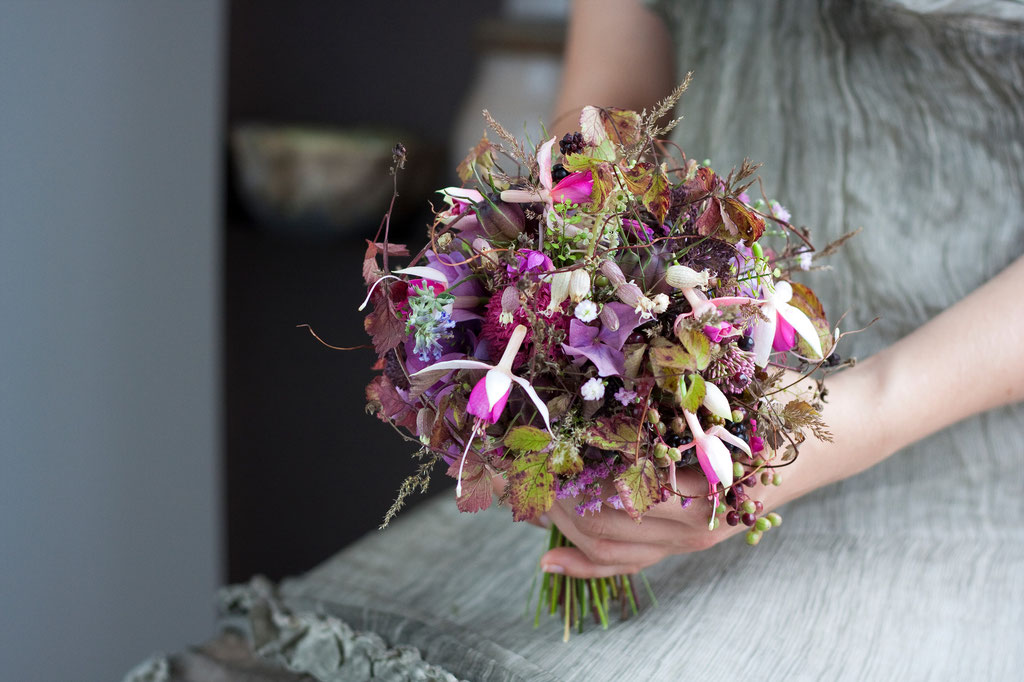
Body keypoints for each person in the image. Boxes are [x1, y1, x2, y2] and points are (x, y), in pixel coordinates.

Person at [531, 0, 1024, 586]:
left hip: (958, 436)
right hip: (667, 380)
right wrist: (555, 324)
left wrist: (852, 413)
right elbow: (605, 118)